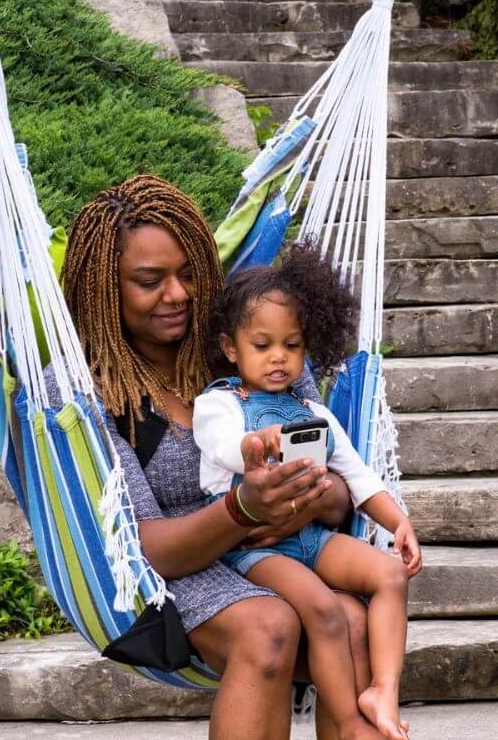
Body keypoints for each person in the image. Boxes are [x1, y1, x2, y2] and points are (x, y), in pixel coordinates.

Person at [52, 174, 377, 740]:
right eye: (150, 281)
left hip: (279, 553)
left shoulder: (252, 345)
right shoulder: (91, 392)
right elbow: (148, 546)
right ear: (105, 289)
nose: (176, 294)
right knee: (268, 626)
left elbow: (340, 490)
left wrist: (307, 500)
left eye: (186, 274)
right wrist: (245, 510)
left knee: (352, 622)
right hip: (168, 575)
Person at [193, 243, 422, 740]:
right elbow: (219, 447)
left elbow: (357, 476)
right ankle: (349, 725)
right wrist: (255, 446)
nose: (278, 357)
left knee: (388, 573)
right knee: (324, 608)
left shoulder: (313, 414)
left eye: (292, 346)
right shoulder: (220, 404)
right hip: (252, 550)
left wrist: (397, 521)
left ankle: (383, 690)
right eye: (262, 345)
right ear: (231, 348)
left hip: (310, 540)